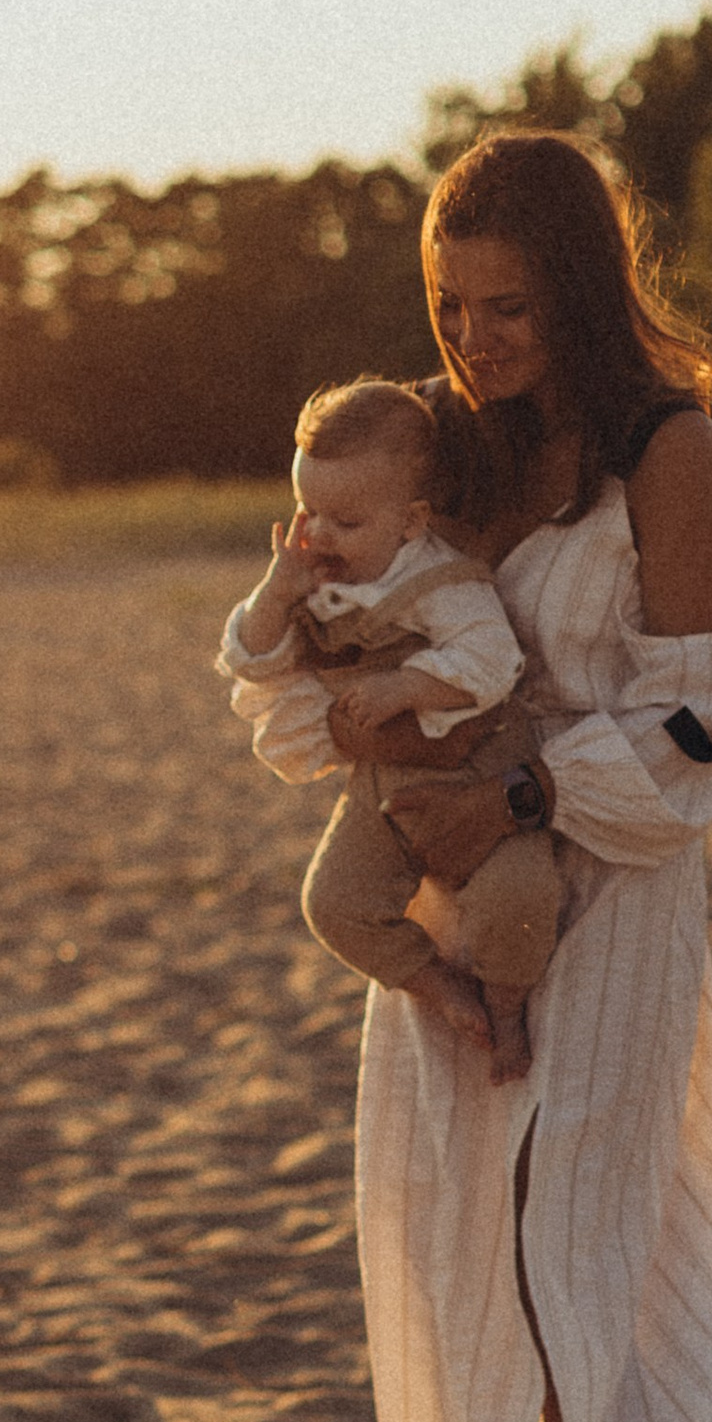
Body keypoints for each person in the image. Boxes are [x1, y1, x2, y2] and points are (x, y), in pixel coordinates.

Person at [319, 130, 712, 1422]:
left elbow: (700, 727)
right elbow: (384, 627)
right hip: (461, 903)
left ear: (584, 291)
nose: (474, 337)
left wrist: (522, 788)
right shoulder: (451, 448)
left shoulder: (663, 450)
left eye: (509, 304)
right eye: (452, 304)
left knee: (579, 1263)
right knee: (449, 1238)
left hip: (608, 898)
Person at [218, 378, 560, 1073]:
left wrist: (409, 684)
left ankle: (504, 1010)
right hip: (385, 785)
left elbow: (492, 659)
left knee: (519, 896)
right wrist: (273, 595)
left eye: (345, 521)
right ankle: (438, 987)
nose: (318, 535)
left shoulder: (442, 580)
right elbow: (250, 660)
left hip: (482, 769)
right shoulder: (311, 578)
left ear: (410, 522)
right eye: (307, 510)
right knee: (333, 903)